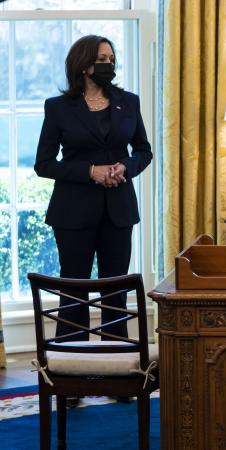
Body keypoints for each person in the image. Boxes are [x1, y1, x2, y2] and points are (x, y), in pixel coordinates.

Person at [35, 35, 152, 342]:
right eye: (102, 59)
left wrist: (125, 166)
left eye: (111, 59)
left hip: (119, 210)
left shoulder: (129, 102)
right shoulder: (58, 107)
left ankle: (119, 365)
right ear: (84, 65)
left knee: (116, 289)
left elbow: (143, 150)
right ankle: (71, 367)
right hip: (72, 212)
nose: (109, 64)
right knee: (74, 290)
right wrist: (90, 171)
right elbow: (44, 164)